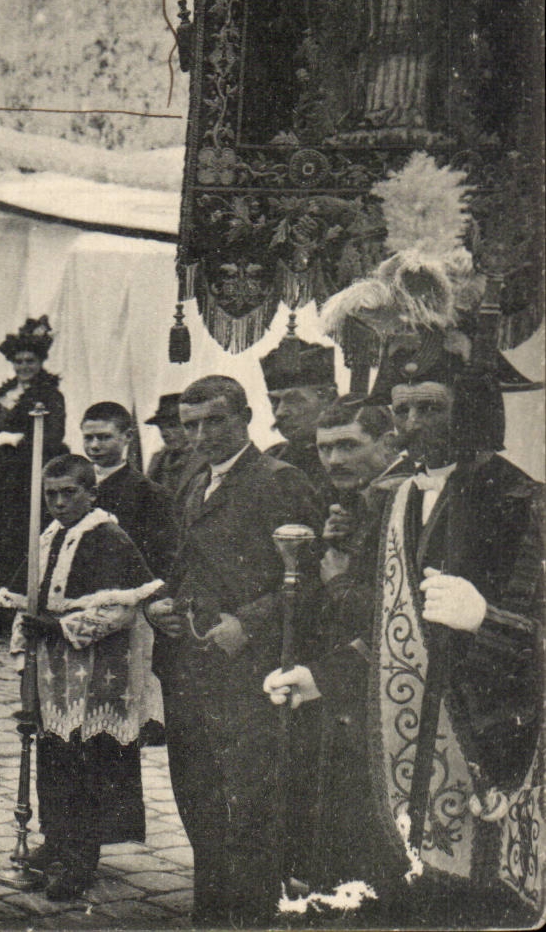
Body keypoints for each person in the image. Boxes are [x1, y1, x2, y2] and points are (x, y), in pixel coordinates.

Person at [266, 337, 542, 926]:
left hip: (486, 743)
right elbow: (386, 631)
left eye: (430, 408)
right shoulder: (398, 501)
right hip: (400, 746)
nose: (414, 424)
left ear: (469, 408)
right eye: (403, 410)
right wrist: (322, 678)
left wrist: (486, 618)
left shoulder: (522, 499)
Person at [144, 375, 322, 926]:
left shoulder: (280, 480)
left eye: (215, 421)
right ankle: (211, 911)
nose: (201, 435)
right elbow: (180, 562)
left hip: (251, 671)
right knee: (196, 795)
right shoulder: (194, 480)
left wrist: (247, 623)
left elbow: (314, 578)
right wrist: (163, 605)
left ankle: (247, 916)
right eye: (191, 424)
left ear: (245, 417)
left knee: (248, 803)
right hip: (190, 666)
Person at [259, 396, 408, 902]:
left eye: (348, 445)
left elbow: (391, 607)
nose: (333, 460)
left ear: (388, 441)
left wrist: (339, 577)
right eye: (325, 448)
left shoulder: (400, 497)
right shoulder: (355, 498)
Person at [0, 456, 163, 900]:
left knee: (88, 762)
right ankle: (56, 841)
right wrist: (24, 653)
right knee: (53, 757)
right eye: (50, 494)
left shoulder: (109, 538)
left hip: (97, 672)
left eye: (68, 492)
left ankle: (80, 858)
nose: (58, 502)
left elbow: (121, 608)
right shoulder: (50, 536)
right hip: (54, 672)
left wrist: (58, 627)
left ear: (92, 493)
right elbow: (27, 602)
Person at [0, 317, 68, 637]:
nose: (24, 366)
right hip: (1, 482)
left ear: (41, 363)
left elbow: (53, 438)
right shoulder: (5, 394)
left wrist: (17, 441)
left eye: (30, 361)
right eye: (19, 361)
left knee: (19, 543)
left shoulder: (50, 396)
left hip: (26, 483)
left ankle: (14, 617)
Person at [79, 402, 179, 580]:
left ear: (128, 436)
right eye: (88, 438)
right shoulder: (73, 487)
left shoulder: (150, 494)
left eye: (104, 437)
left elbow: (162, 561)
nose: (94, 445)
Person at [259, 335, 339, 491]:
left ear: (328, 398)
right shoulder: (270, 458)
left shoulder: (347, 459)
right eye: (275, 402)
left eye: (294, 400)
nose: (280, 412)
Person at [142, 393, 195, 494]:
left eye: (172, 426)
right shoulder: (158, 459)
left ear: (190, 425)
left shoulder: (206, 458)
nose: (164, 433)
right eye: (161, 427)